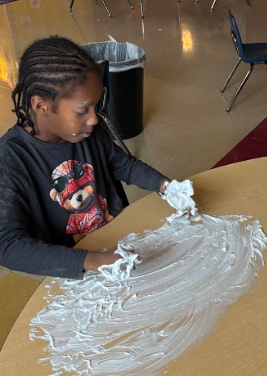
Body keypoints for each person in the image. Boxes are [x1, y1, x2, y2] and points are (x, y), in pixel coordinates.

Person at [0, 36, 171, 279]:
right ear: (41, 106)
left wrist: (165, 186)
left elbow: (124, 165)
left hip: (117, 241)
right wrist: (93, 260)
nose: (94, 118)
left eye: (96, 105)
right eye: (83, 110)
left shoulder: (87, 131)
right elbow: (7, 246)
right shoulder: (10, 160)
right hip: (74, 267)